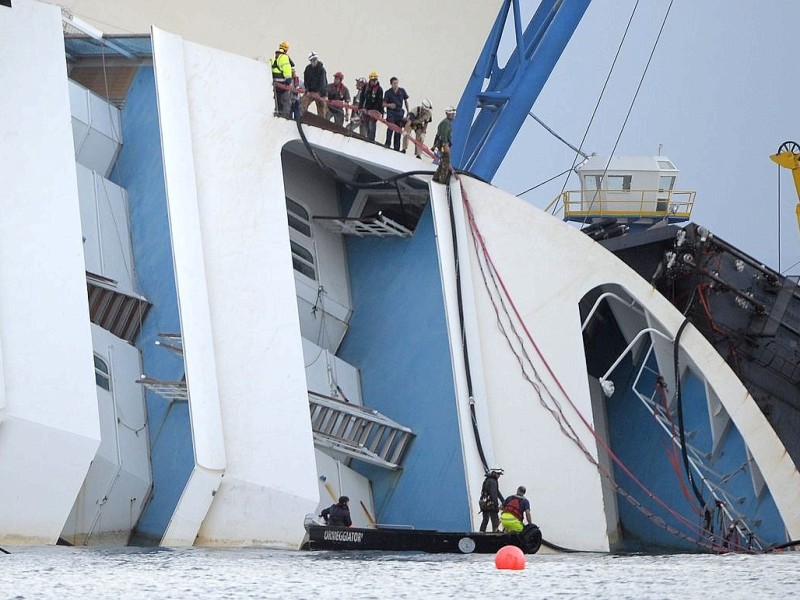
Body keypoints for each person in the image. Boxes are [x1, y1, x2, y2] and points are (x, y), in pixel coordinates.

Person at [382, 77, 410, 151]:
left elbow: (406, 101)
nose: (396, 85)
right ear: (391, 84)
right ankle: (387, 143)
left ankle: (396, 147)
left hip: (399, 113)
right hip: (391, 113)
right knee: (390, 128)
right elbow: (383, 103)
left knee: (398, 130)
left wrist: (408, 110)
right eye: (394, 83)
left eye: (397, 83)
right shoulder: (388, 92)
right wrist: (389, 105)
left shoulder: (402, 91)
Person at [270, 41, 295, 118]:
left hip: (274, 82)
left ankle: (278, 111)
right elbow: (286, 68)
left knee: (277, 98)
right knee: (286, 99)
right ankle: (286, 116)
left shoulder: (274, 57)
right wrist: (288, 79)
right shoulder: (284, 57)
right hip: (282, 82)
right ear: (286, 50)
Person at [432, 106, 457, 183]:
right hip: (443, 146)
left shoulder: (446, 122)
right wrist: (445, 146)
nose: (453, 116)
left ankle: (436, 177)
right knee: (446, 161)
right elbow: (443, 135)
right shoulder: (446, 123)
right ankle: (442, 180)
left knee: (443, 161)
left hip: (441, 145)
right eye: (452, 114)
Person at [300, 52, 328, 119]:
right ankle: (301, 118)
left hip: (320, 93)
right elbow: (306, 81)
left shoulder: (322, 70)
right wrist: (307, 90)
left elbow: (323, 83)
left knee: (322, 108)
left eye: (315, 59)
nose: (314, 61)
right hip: (310, 92)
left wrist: (319, 93)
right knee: (302, 103)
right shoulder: (307, 69)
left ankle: (322, 123)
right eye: (312, 60)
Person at [359, 71, 384, 142]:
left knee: (372, 124)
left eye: (376, 80)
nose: (374, 82)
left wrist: (374, 111)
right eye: (373, 80)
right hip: (366, 109)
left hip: (374, 110)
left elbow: (379, 102)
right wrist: (361, 108)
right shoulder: (365, 88)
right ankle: (368, 137)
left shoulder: (379, 89)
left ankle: (371, 139)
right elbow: (362, 98)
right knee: (366, 124)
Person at [478, 469, 504, 533]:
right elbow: (494, 493)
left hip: (484, 503)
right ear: (494, 473)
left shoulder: (487, 480)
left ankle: (481, 532)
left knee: (485, 519)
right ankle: (495, 532)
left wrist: (503, 500)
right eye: (498, 474)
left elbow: (497, 492)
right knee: (495, 519)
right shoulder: (493, 481)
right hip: (491, 504)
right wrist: (496, 505)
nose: (499, 476)